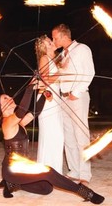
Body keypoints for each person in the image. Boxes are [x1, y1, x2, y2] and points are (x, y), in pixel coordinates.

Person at [0, 80, 104, 204]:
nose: (10, 98)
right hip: (12, 169)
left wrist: (44, 97)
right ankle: (86, 193)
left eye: (8, 96)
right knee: (47, 171)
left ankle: (12, 185)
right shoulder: (6, 123)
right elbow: (22, 110)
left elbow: (35, 112)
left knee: (46, 188)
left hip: (23, 167)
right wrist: (30, 88)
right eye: (5, 99)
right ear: (1, 109)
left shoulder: (18, 122)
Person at [52, 24, 95, 184]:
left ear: (64, 36)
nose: (54, 40)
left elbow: (89, 72)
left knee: (81, 136)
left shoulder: (83, 49)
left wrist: (75, 93)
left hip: (77, 97)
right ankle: (74, 170)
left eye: (55, 37)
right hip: (63, 98)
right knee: (68, 136)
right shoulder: (62, 54)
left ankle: (85, 174)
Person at [34, 34, 64, 174]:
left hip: (56, 99)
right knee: (51, 135)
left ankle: (55, 171)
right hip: (48, 99)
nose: (52, 43)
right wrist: (59, 74)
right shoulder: (44, 58)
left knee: (58, 136)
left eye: (51, 41)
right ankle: (47, 171)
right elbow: (43, 81)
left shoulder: (56, 59)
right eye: (48, 42)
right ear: (43, 47)